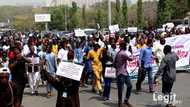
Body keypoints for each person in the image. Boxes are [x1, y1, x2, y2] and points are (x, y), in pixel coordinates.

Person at [113, 41, 133, 107]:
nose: (126, 47)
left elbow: (114, 63)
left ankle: (124, 101)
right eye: (125, 46)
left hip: (123, 72)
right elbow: (131, 59)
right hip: (121, 73)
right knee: (122, 88)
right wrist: (131, 52)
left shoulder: (118, 52)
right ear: (123, 46)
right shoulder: (123, 53)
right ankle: (121, 102)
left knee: (128, 86)